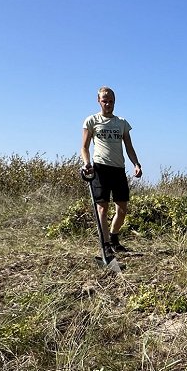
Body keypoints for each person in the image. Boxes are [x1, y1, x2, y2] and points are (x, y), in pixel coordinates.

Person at [80, 86, 143, 252]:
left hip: (118, 169)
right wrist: (87, 163)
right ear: (98, 101)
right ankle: (106, 244)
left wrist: (136, 164)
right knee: (102, 208)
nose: (108, 104)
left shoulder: (121, 123)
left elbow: (129, 146)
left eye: (111, 101)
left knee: (122, 209)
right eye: (104, 101)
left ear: (114, 102)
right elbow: (84, 147)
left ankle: (114, 238)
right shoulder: (91, 121)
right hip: (100, 168)